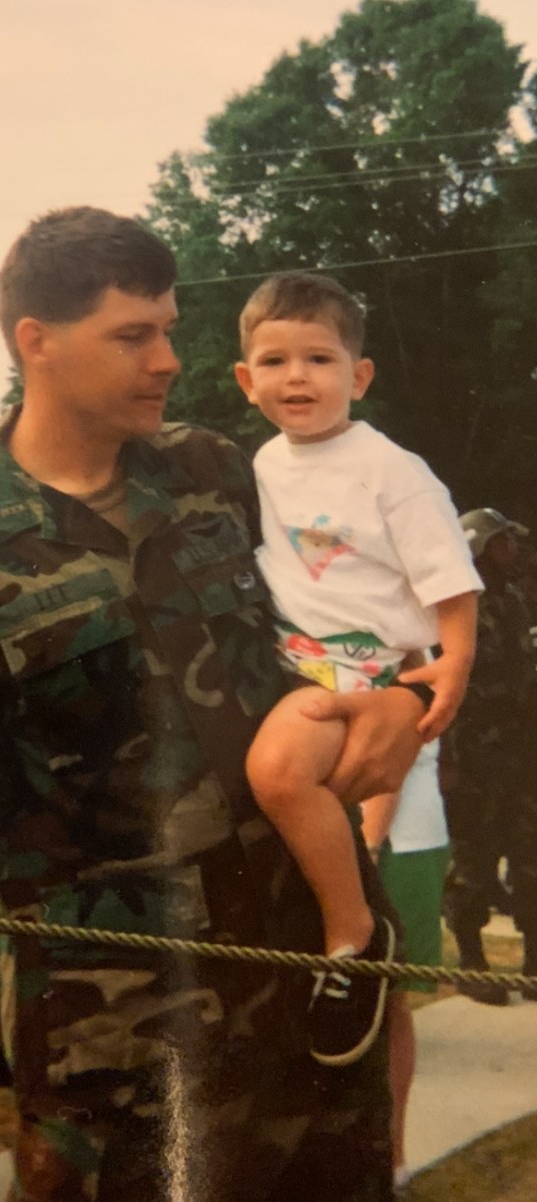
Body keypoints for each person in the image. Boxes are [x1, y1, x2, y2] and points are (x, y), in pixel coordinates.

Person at [0, 207, 427, 1202]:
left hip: (311, 1003)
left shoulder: (214, 474)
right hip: (114, 1051)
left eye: (168, 327)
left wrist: (398, 702)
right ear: (38, 341)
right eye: (133, 334)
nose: (167, 358)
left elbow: (336, 630)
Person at [234, 271, 481, 1068]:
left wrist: (456, 664)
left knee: (305, 786)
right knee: (285, 784)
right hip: (298, 668)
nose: (296, 377)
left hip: (379, 672)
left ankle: (357, 940)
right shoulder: (260, 467)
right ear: (246, 381)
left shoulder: (390, 468)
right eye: (274, 362)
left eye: (319, 358)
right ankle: (349, 931)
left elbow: (448, 575)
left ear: (359, 375)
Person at [442, 507, 537, 1006]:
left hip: (522, 756)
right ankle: (473, 964)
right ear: (481, 548)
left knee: (530, 856)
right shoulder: (459, 608)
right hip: (475, 758)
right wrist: (447, 762)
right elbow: (450, 691)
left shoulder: (516, 600)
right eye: (504, 542)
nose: (514, 551)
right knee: (473, 861)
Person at [361, 739, 450, 1192]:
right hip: (353, 834)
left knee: (391, 1001)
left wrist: (368, 849)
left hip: (397, 842)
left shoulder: (406, 663)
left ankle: (393, 1156)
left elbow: (388, 758)